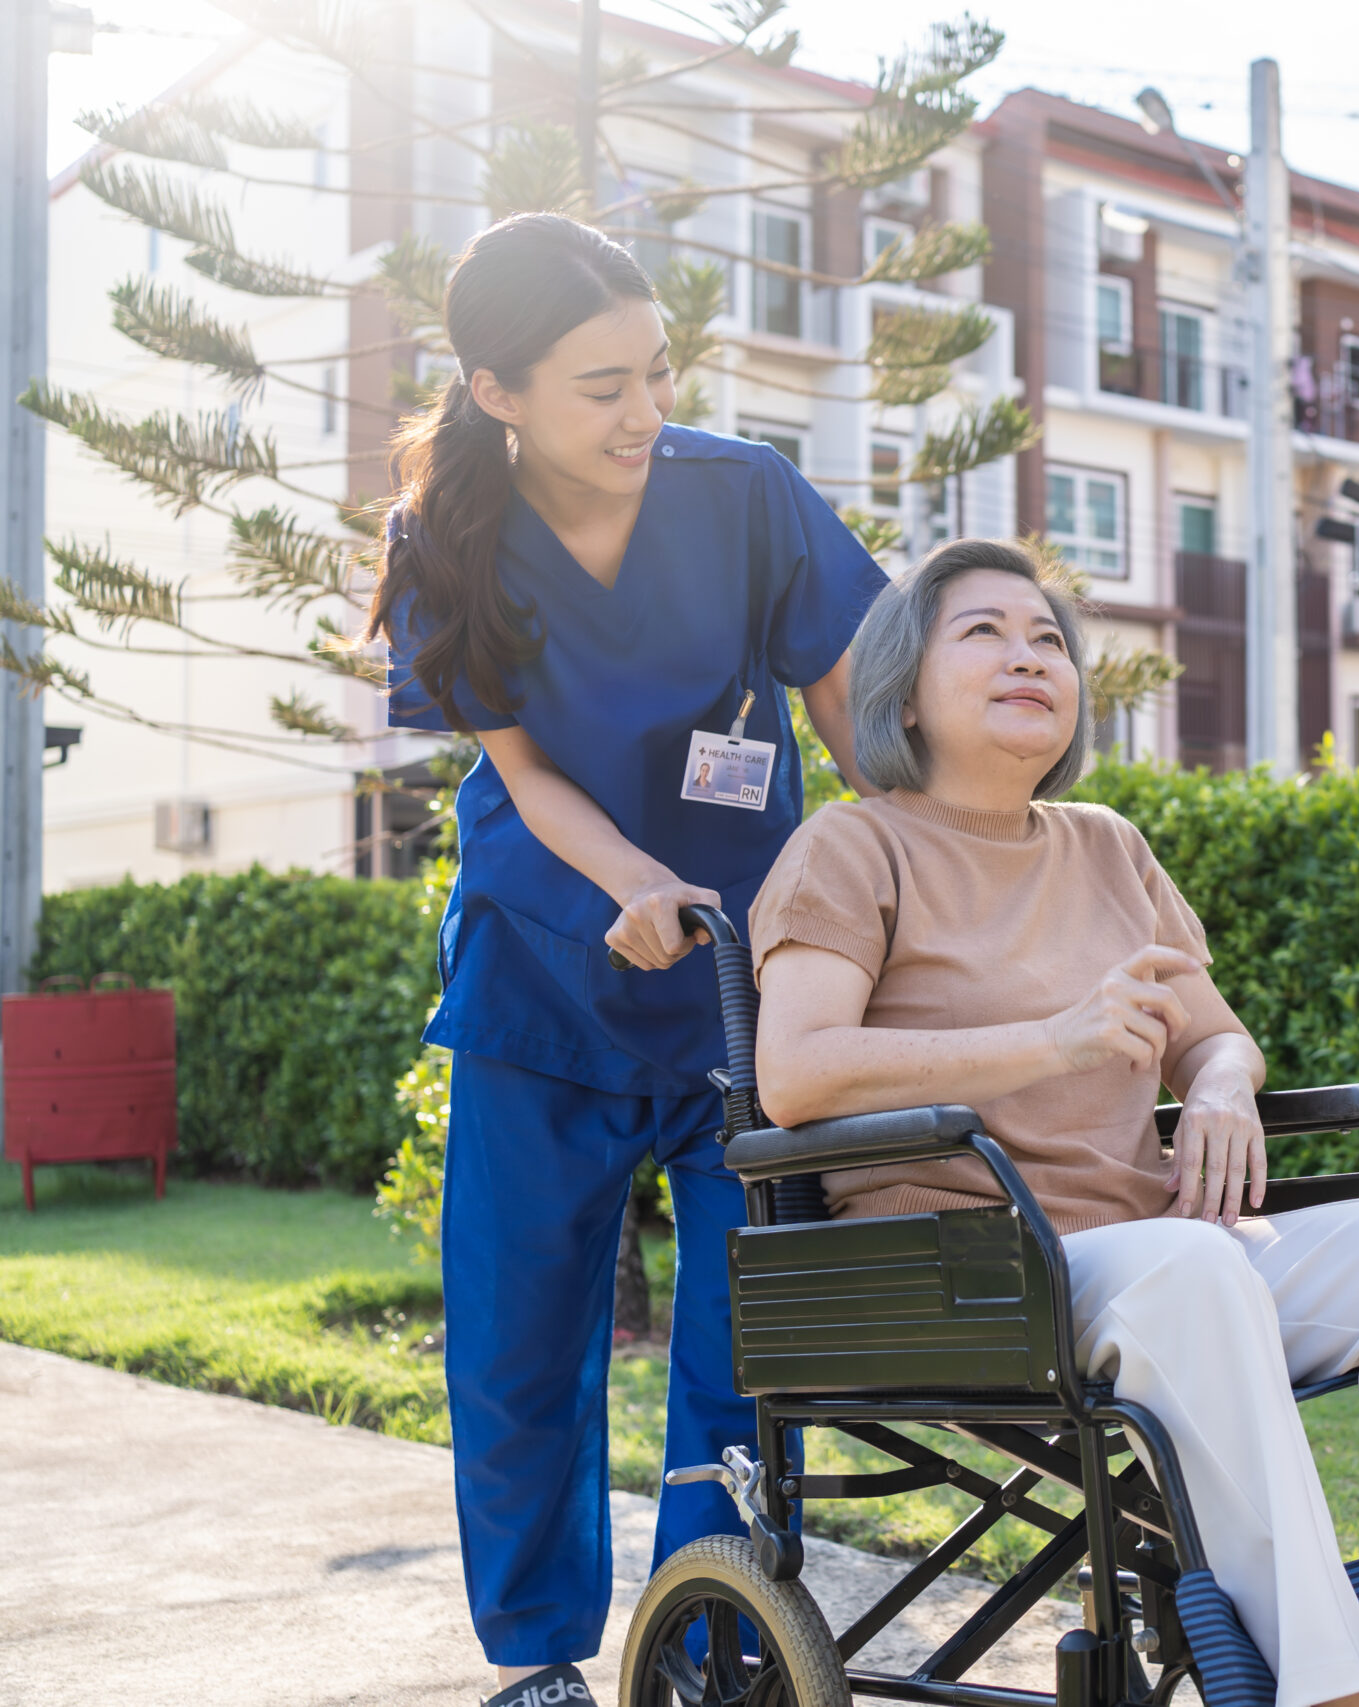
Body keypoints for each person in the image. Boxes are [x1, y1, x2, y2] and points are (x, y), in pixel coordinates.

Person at [747, 538, 1359, 1707]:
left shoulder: (1108, 845)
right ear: (900, 684)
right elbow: (797, 1075)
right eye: (983, 632)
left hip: (1145, 1252)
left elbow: (1213, 1035)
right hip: (966, 1267)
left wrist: (1221, 1086)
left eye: (1049, 641)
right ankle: (1330, 1691)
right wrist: (1051, 1043)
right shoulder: (852, 845)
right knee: (1192, 1269)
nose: (1029, 656)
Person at [364, 213, 885, 1707]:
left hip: (753, 996)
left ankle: (711, 1641)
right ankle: (537, 1661)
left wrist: (910, 898)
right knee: (523, 1348)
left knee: (743, 1349)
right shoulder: (445, 539)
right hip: (548, 975)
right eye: (602, 385)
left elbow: (861, 735)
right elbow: (525, 777)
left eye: (657, 371)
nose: (645, 413)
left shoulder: (748, 499)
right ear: (496, 391)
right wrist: (641, 878)